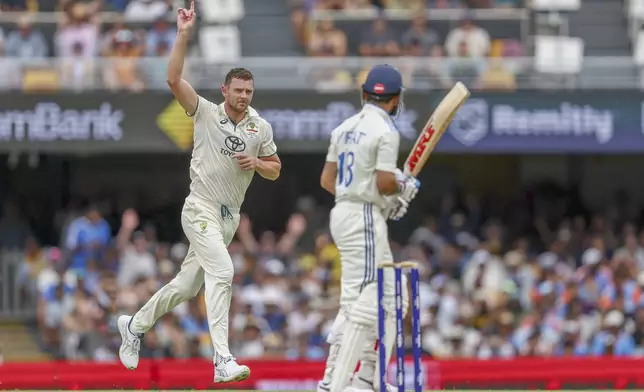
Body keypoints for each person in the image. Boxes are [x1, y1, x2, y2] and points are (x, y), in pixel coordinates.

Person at [116, 0, 281, 384]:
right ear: (225, 89)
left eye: (249, 91)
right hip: (200, 210)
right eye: (238, 90)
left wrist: (257, 165)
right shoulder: (206, 111)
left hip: (227, 219)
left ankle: (134, 325)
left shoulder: (261, 128)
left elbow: (275, 169)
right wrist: (184, 34)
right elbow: (173, 79)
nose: (244, 96)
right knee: (223, 272)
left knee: (186, 287)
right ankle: (222, 359)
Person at [318, 64, 420, 392]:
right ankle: (335, 382)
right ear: (396, 99)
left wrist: (379, 200)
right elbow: (386, 180)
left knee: (392, 294)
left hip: (345, 212)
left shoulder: (343, 128)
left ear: (364, 94)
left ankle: (369, 379)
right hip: (361, 216)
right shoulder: (386, 130)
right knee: (364, 299)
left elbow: (327, 180)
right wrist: (402, 187)